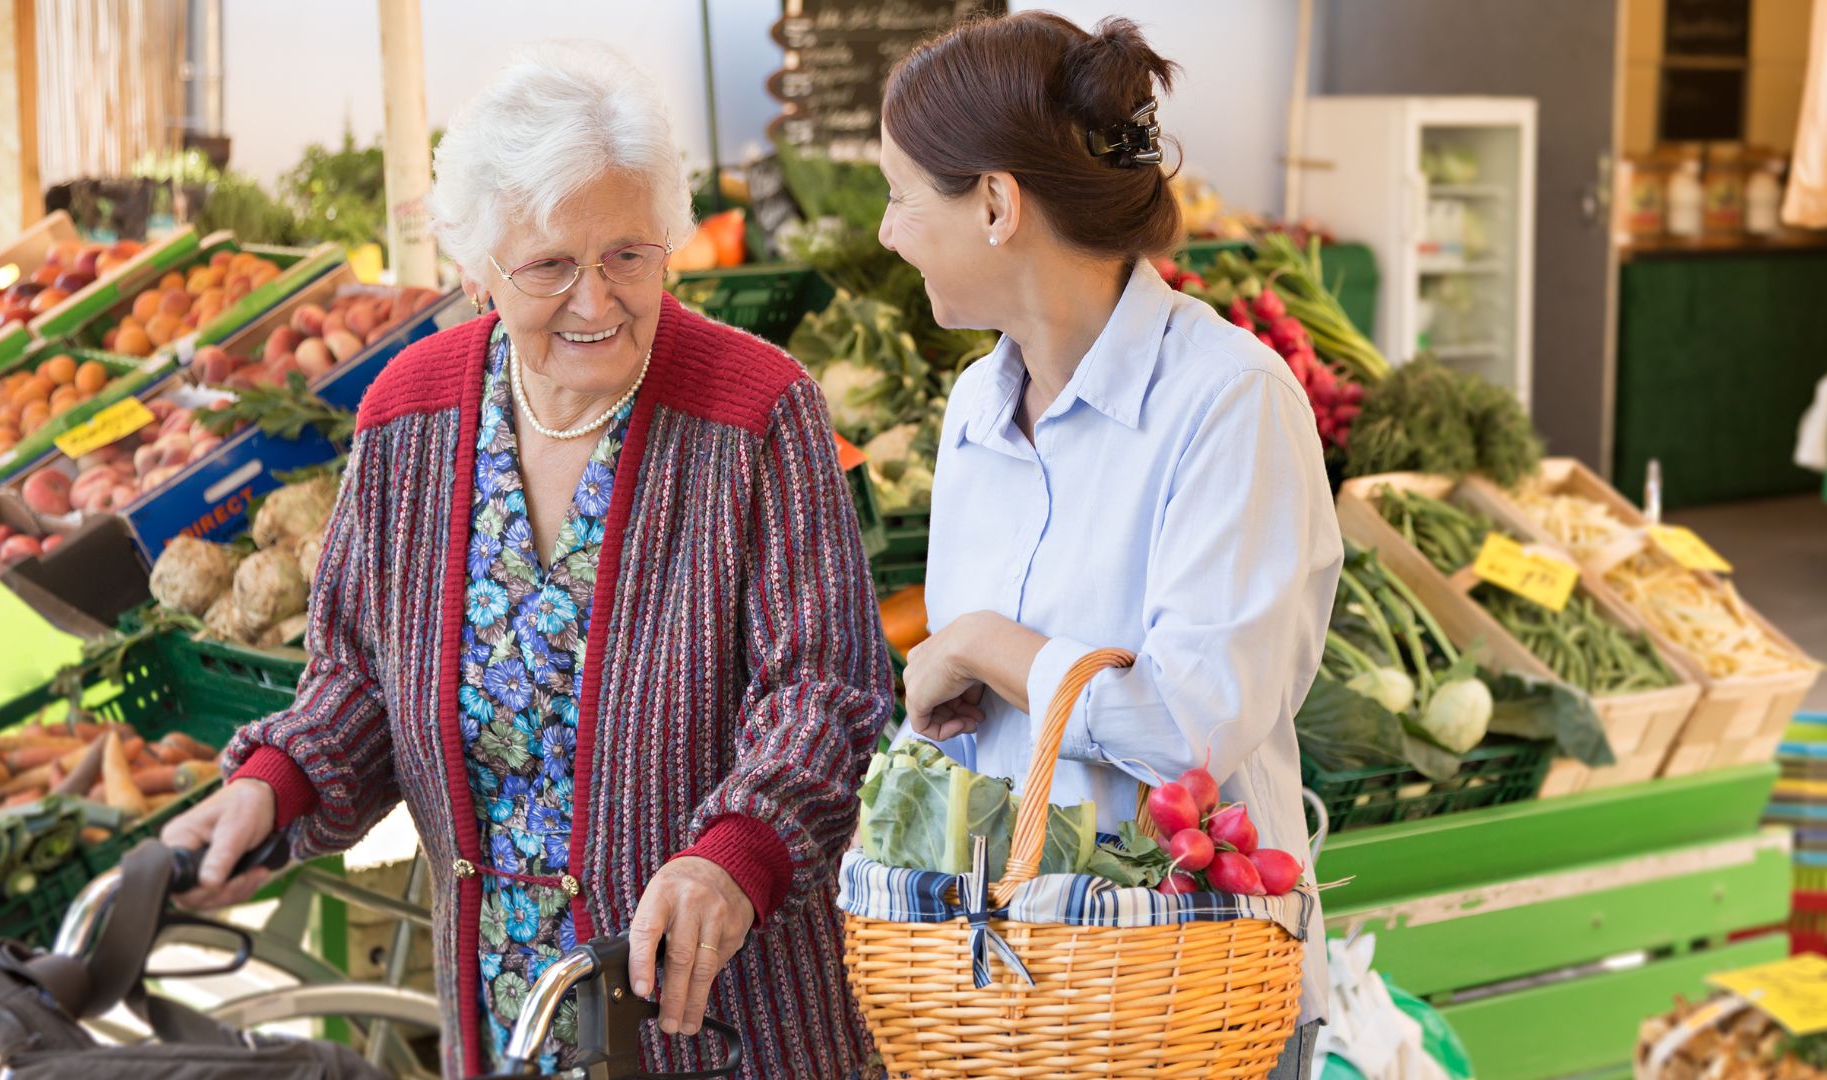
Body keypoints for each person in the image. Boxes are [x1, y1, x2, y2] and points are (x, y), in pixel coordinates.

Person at [163, 41, 889, 1080]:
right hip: (508, 1013)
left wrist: (738, 856)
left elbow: (822, 690)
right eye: (550, 266)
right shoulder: (409, 415)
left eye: (629, 256)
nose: (597, 302)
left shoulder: (755, 411)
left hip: (724, 1022)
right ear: (474, 268)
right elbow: (361, 679)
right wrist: (273, 784)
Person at [879, 13, 1341, 1078]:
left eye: (904, 195)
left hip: (1186, 1003)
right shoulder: (971, 411)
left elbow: (1192, 732)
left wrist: (989, 644)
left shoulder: (1230, 403)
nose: (891, 233)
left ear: (997, 204)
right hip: (1018, 1003)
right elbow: (983, 731)